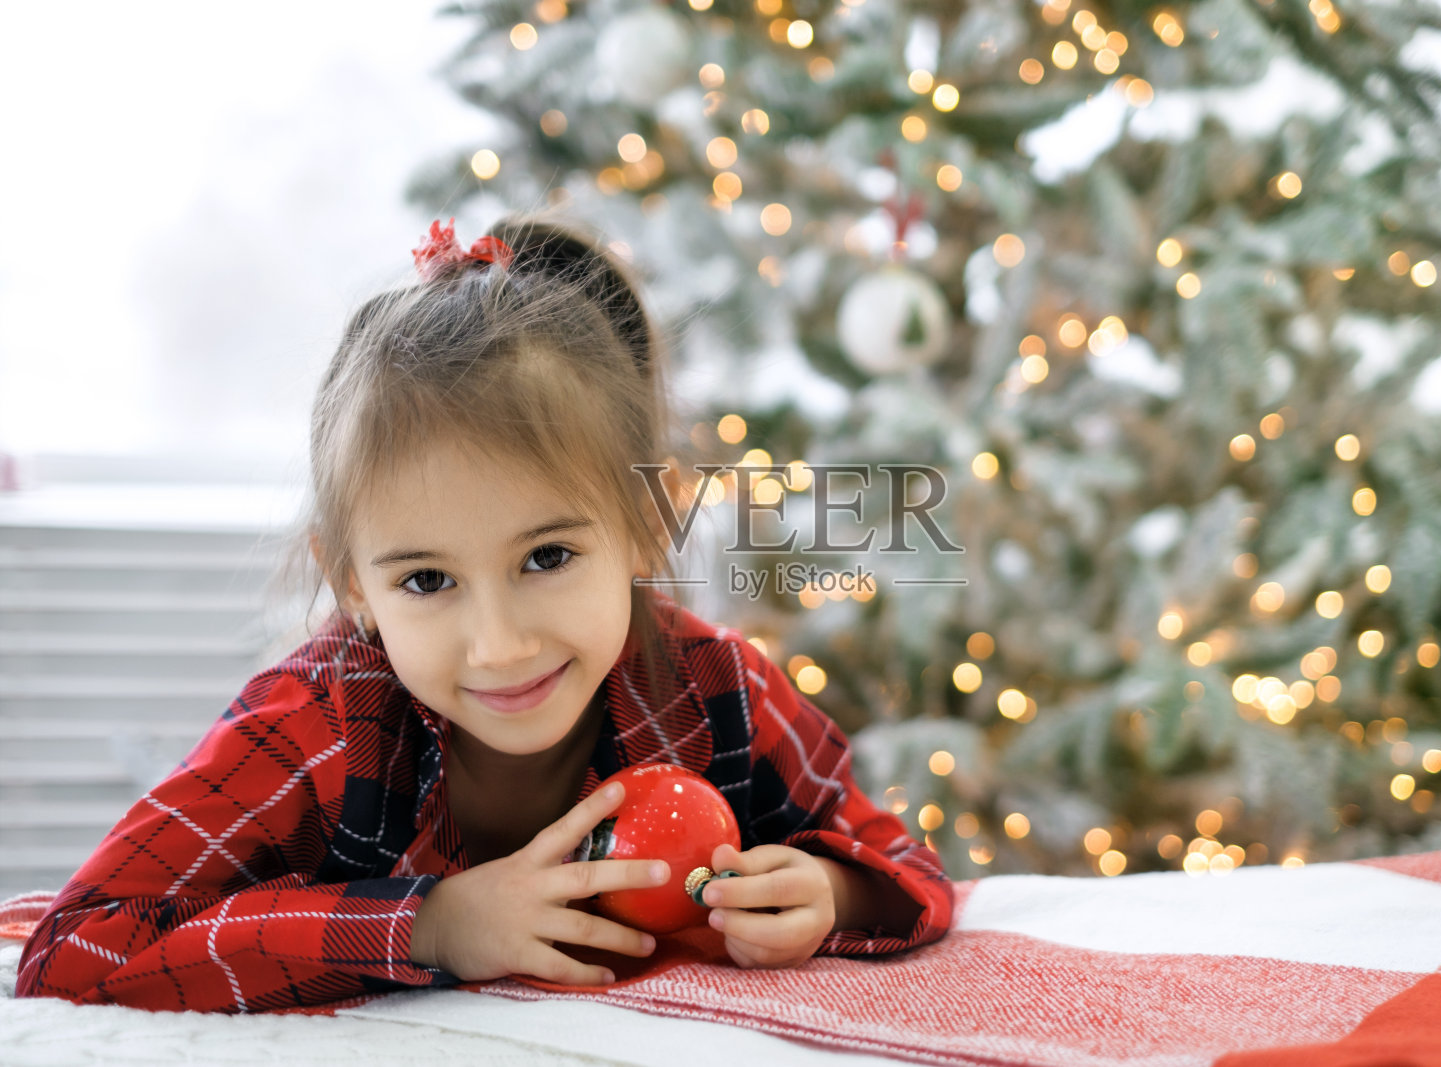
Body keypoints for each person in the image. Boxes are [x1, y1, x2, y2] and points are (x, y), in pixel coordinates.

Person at [15, 215, 953, 1013]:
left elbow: (903, 859)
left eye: (547, 557)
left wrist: (830, 890)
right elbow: (73, 948)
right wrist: (432, 923)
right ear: (350, 582)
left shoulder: (714, 688)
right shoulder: (320, 726)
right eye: (426, 580)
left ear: (648, 522)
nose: (499, 645)